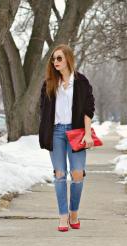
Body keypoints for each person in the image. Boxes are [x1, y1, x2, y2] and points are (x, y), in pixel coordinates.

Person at [39, 44, 95, 232]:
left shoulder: (81, 82)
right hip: (55, 132)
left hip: (76, 132)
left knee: (77, 174)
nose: (55, 62)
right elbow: (43, 109)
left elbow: (88, 109)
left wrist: (87, 133)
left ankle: (74, 212)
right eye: (54, 59)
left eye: (59, 58)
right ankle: (63, 216)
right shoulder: (48, 83)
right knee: (60, 175)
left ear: (68, 59)